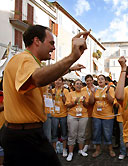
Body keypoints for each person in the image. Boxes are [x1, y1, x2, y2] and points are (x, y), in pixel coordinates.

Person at [2, 25, 89, 165]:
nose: (54, 48)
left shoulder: (31, 62)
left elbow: (47, 74)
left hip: (27, 133)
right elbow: (38, 78)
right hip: (24, 136)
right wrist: (72, 56)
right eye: (51, 43)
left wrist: (70, 67)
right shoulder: (25, 59)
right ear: (37, 41)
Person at [89, 75, 116, 158]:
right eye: (98, 79)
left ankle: (110, 149)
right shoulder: (95, 89)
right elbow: (91, 102)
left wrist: (107, 92)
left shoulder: (110, 89)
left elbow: (112, 101)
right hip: (96, 115)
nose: (100, 80)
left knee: (108, 133)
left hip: (108, 116)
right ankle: (97, 150)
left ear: (105, 81)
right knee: (96, 133)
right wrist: (92, 92)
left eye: (102, 79)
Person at [65, 79, 89, 161]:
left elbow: (87, 105)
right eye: (77, 84)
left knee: (81, 134)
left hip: (83, 116)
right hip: (72, 116)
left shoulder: (85, 93)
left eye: (80, 84)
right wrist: (75, 102)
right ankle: (70, 153)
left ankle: (81, 150)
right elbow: (67, 105)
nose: (78, 85)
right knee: (72, 134)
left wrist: (85, 101)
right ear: (74, 85)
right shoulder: (70, 93)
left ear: (82, 86)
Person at [51, 77, 69, 157]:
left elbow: (66, 103)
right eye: (56, 80)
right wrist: (52, 96)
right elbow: (49, 103)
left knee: (64, 132)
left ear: (62, 82)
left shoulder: (65, 90)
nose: (57, 81)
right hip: (54, 115)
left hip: (63, 114)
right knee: (54, 132)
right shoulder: (51, 91)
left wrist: (62, 93)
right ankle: (54, 149)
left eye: (59, 80)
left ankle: (64, 148)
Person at [81, 74, 95, 153]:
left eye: (90, 80)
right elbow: (85, 103)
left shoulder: (96, 89)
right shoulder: (83, 90)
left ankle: (95, 145)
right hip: (87, 113)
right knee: (87, 130)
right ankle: (87, 145)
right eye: (87, 81)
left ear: (93, 80)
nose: (89, 82)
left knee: (95, 130)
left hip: (96, 113)